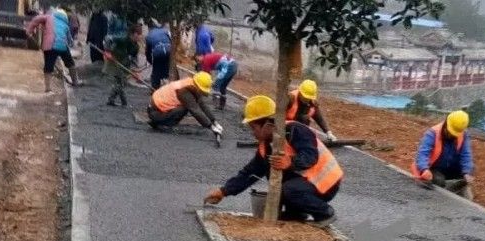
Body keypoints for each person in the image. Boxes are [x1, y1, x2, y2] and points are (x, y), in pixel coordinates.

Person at [204, 95, 342, 226]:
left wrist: (291, 162)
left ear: (268, 125)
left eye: (253, 127)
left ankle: (325, 214)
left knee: (289, 189)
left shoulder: (295, 130)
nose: (253, 133)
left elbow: (310, 155)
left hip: (326, 183)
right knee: (275, 179)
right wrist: (223, 191)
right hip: (308, 184)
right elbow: (249, 173)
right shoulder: (266, 147)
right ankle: (296, 214)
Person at [412, 110, 475, 201]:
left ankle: (461, 194)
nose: (452, 135)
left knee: (469, 170)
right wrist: (424, 169)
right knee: (439, 180)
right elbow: (422, 154)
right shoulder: (432, 133)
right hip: (433, 169)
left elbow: (466, 154)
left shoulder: (463, 135)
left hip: (450, 168)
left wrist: (467, 172)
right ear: (446, 123)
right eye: (450, 132)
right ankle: (441, 198)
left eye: (454, 134)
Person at [147, 72, 223, 137]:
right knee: (185, 107)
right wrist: (210, 126)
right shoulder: (183, 90)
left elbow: (202, 104)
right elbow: (195, 110)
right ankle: (163, 124)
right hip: (155, 112)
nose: (202, 93)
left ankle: (161, 122)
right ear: (198, 86)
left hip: (159, 110)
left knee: (187, 106)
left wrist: (214, 121)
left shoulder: (191, 83)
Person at [26, 3, 79, 94]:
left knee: (48, 67)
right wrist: (70, 45)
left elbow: (35, 19)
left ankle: (48, 89)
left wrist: (29, 31)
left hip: (50, 45)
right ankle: (75, 82)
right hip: (63, 46)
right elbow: (70, 39)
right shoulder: (65, 24)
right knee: (70, 63)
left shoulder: (49, 17)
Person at [103, 18, 138, 106]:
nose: (139, 37)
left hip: (123, 63)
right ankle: (114, 101)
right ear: (133, 34)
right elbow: (108, 38)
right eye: (138, 35)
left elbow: (132, 57)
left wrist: (134, 70)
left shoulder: (135, 45)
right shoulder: (122, 38)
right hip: (114, 60)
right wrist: (107, 52)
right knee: (120, 82)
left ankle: (119, 102)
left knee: (121, 82)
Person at [145, 20, 171, 90]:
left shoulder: (149, 35)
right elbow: (171, 40)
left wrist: (150, 61)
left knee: (156, 71)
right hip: (168, 50)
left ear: (150, 28)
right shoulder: (165, 30)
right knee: (166, 69)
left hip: (158, 53)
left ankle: (155, 89)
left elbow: (148, 51)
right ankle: (168, 85)